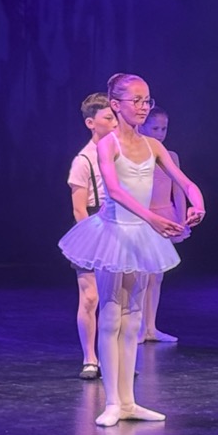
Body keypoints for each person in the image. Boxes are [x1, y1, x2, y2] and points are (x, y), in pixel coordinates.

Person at [59, 73, 206, 427]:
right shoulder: (108, 145)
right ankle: (113, 401)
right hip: (114, 232)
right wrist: (153, 219)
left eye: (146, 101)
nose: (143, 107)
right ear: (116, 104)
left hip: (140, 234)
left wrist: (198, 201)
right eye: (136, 100)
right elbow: (115, 191)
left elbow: (184, 181)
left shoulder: (153, 146)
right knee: (112, 315)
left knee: (134, 317)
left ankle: (130, 401)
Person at [66, 93, 120, 380]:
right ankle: (90, 358)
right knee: (90, 297)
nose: (115, 123)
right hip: (92, 227)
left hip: (119, 225)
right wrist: (92, 243)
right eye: (108, 118)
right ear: (91, 123)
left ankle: (117, 358)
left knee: (118, 298)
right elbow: (78, 208)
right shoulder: (83, 160)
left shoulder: (120, 152)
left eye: (115, 117)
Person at [136, 105, 188, 343]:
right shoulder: (136, 155)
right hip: (144, 218)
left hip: (165, 216)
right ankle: (137, 327)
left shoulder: (171, 156)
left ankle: (151, 327)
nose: (160, 133)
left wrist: (181, 219)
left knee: (156, 276)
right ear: (142, 126)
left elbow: (178, 190)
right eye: (155, 128)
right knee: (141, 275)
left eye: (163, 129)